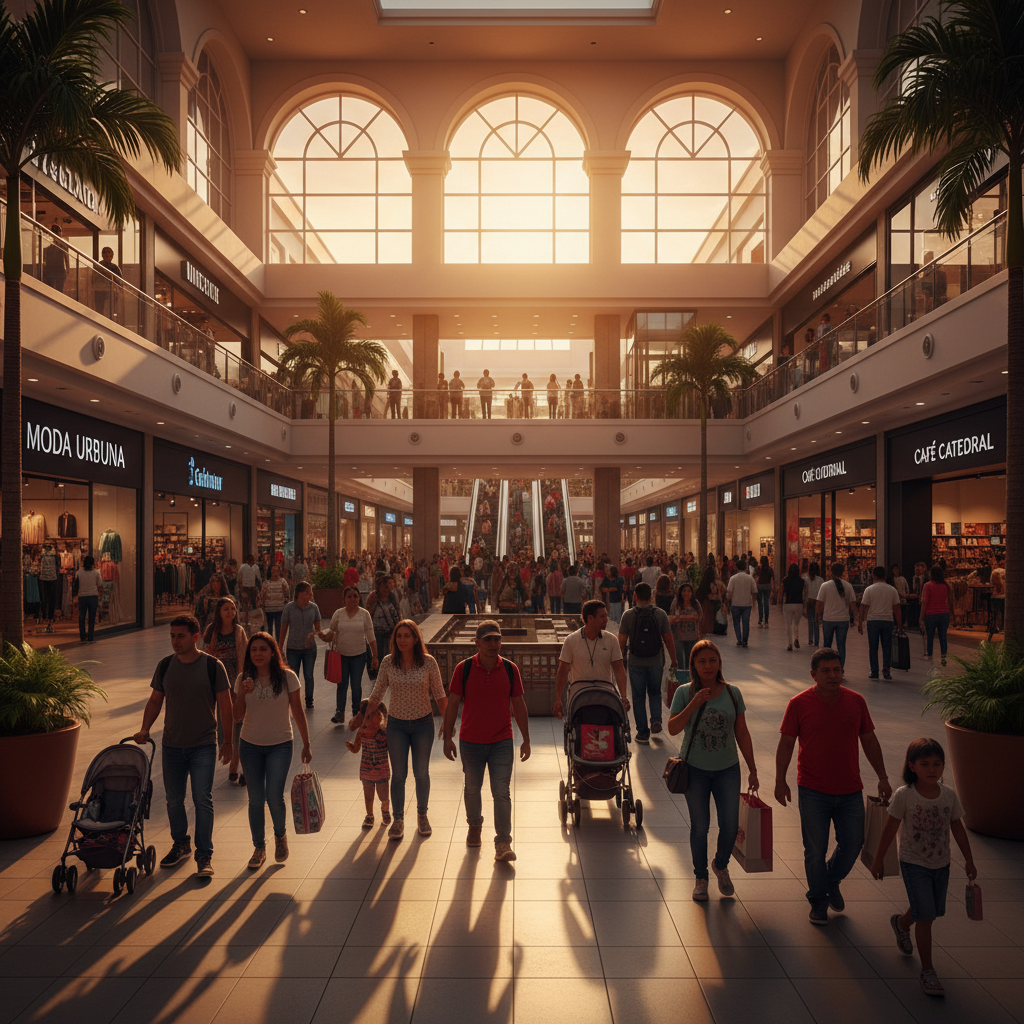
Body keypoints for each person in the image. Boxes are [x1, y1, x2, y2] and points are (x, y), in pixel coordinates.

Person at [774, 647, 892, 925]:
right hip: (813, 789)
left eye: (837, 670)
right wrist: (780, 780)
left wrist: (883, 776)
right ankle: (818, 899)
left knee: (853, 844)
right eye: (826, 671)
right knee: (814, 848)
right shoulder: (799, 703)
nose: (833, 675)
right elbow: (787, 743)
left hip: (850, 789)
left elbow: (870, 741)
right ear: (814, 675)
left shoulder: (856, 701)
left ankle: (831, 879)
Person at [870, 737, 976, 997]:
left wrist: (969, 860)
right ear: (912, 766)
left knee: (928, 910)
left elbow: (957, 828)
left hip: (941, 863)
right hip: (913, 862)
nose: (932, 769)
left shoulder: (949, 795)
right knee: (927, 916)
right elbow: (890, 827)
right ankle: (927, 971)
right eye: (925, 763)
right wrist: (878, 858)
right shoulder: (904, 795)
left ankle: (903, 924)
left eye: (937, 764)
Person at [134, 615, 233, 877]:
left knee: (202, 799)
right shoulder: (165, 665)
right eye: (172, 636)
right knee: (173, 800)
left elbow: (225, 705)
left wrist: (228, 741)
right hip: (172, 745)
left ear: (195, 637)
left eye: (181, 636)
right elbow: (155, 701)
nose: (175, 641)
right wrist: (145, 728)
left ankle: (204, 855)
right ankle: (181, 844)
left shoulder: (213, 666)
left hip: (203, 744)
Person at [668, 640, 758, 901]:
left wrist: (752, 768)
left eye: (712, 660)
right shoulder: (684, 692)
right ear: (693, 666)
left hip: (727, 769)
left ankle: (720, 864)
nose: (708, 666)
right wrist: (694, 703)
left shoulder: (733, 693)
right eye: (702, 661)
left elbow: (741, 732)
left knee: (730, 826)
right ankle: (701, 877)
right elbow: (673, 728)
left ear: (719, 663)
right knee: (700, 826)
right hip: (694, 769)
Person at [443, 620, 531, 862]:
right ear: (477, 642)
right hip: (470, 741)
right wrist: (448, 737)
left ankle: (503, 842)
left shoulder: (511, 669)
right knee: (472, 788)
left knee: (501, 792)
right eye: (488, 639)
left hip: (502, 741)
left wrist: (526, 738)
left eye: (497, 639)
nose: (494, 644)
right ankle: (475, 824)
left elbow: (519, 706)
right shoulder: (465, 668)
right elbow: (452, 704)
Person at [233, 632, 312, 869]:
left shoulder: (288, 677)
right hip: (250, 745)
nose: (258, 654)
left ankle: (280, 836)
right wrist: (243, 693)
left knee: (274, 797)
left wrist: (307, 744)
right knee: (255, 800)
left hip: (280, 744)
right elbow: (237, 716)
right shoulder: (243, 679)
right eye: (254, 650)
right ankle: (259, 847)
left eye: (263, 649)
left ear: (272, 652)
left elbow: (297, 711)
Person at [366, 620, 448, 840]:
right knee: (399, 775)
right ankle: (398, 820)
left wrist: (448, 725)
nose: (402, 640)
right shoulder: (387, 663)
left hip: (423, 724)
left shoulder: (428, 663)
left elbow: (440, 695)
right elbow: (377, 694)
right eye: (398, 636)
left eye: (407, 636)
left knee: (421, 773)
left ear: (415, 638)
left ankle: (422, 815)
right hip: (397, 725)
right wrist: (360, 720)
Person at [618, 583, 676, 744]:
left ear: (635, 596)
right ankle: (656, 720)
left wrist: (617, 662)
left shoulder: (628, 615)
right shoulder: (660, 614)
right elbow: (669, 639)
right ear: (651, 597)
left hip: (635, 662)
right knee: (655, 692)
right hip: (656, 660)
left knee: (638, 697)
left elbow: (621, 642)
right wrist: (674, 659)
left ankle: (642, 732)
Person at [552, 599, 630, 717]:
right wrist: (558, 699)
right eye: (602, 616)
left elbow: (619, 669)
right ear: (590, 618)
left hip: (605, 695)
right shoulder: (571, 640)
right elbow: (563, 671)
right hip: (579, 696)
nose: (606, 619)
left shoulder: (611, 640)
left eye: (606, 616)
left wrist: (623, 697)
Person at [203, 597, 248, 785]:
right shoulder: (211, 631)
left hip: (237, 683)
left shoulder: (239, 631)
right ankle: (231, 755)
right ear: (219, 612)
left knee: (240, 723)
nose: (230, 612)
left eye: (233, 608)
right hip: (219, 685)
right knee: (224, 725)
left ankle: (237, 765)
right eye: (226, 609)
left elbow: (246, 658)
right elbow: (205, 655)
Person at [318, 585, 378, 724]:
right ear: (344, 599)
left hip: (359, 655)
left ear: (359, 598)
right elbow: (331, 632)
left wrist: (375, 655)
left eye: (355, 596)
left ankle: (357, 713)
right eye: (349, 596)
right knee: (342, 684)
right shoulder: (338, 614)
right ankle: (340, 712)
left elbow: (370, 636)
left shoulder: (364, 614)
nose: (352, 599)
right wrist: (323, 635)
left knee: (356, 685)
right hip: (342, 655)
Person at [346, 699, 391, 828]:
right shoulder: (362, 731)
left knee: (383, 795)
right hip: (366, 769)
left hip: (382, 769)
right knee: (368, 795)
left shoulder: (384, 733)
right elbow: (356, 747)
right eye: (370, 715)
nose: (375, 716)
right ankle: (369, 815)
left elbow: (392, 749)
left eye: (377, 713)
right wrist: (352, 747)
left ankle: (385, 811)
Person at [278, 581, 322, 708]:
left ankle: (309, 699)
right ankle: (293, 699)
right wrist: (280, 648)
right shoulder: (289, 608)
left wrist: (313, 634)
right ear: (299, 594)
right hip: (293, 648)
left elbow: (318, 629)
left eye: (310, 592)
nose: (310, 595)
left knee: (308, 675)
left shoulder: (314, 608)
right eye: (307, 592)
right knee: (293, 675)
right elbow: (283, 628)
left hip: (309, 649)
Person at [858, 566, 902, 680]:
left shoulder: (869, 589)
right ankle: (886, 671)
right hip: (888, 621)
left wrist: (860, 622)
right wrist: (900, 625)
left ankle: (874, 671)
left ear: (874, 575)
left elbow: (863, 607)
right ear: (885, 576)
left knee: (873, 647)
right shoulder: (892, 590)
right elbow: (897, 609)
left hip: (873, 621)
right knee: (887, 647)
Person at [815, 562, 857, 673]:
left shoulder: (825, 586)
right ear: (843, 572)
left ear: (831, 572)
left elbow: (819, 603)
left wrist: (817, 615)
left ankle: (826, 668)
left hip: (828, 619)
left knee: (827, 646)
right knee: (841, 646)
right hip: (843, 620)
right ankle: (840, 668)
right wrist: (855, 618)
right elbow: (853, 604)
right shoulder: (848, 586)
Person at [668, 581, 702, 687]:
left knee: (691, 661)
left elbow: (698, 617)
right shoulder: (676, 603)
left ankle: (691, 682)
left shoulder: (695, 603)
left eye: (689, 591)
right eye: (684, 591)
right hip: (678, 637)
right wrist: (687, 617)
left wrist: (680, 618)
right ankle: (681, 684)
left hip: (692, 636)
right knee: (680, 662)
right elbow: (672, 618)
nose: (686, 593)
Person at [921, 564, 953, 666]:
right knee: (943, 636)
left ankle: (929, 655)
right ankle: (943, 657)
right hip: (944, 613)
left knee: (930, 636)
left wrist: (921, 617)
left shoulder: (927, 585)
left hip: (931, 614)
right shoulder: (945, 586)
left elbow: (925, 602)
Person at [725, 564, 757, 647]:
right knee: (746, 622)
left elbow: (729, 591)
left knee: (736, 622)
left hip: (736, 603)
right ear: (745, 568)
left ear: (737, 568)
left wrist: (728, 600)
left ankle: (739, 639)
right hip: (747, 604)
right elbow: (754, 591)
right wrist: (754, 602)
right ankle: (745, 640)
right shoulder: (750, 578)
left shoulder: (733, 578)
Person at [75, 555, 103, 642]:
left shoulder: (79, 572)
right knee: (92, 617)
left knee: (82, 617)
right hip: (93, 596)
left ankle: (82, 636)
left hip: (82, 596)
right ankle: (90, 636)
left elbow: (76, 585)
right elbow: (100, 585)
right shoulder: (96, 573)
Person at [260, 563, 290, 642]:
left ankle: (278, 646)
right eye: (273, 571)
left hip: (279, 610)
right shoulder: (266, 583)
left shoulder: (282, 582)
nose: (276, 573)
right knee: (268, 630)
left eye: (277, 571)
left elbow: (287, 594)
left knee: (279, 629)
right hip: (268, 610)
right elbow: (262, 596)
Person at [779, 562, 805, 652]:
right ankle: (796, 638)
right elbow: (804, 593)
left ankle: (790, 643)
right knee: (796, 624)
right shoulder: (802, 581)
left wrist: (779, 603)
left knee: (788, 624)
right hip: (799, 603)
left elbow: (781, 592)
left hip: (788, 603)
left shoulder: (785, 580)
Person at [93, 245, 123, 317]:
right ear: (103, 256)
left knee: (105, 309)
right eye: (107, 256)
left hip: (107, 290)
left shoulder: (98, 266)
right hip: (102, 290)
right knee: (103, 309)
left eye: (110, 256)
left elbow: (119, 280)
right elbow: (119, 280)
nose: (109, 258)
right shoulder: (100, 266)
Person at [43, 223, 69, 292]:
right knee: (54, 290)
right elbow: (66, 258)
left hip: (56, 269)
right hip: (53, 269)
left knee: (56, 290)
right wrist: (68, 269)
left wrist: (67, 269)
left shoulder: (61, 244)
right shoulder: (49, 243)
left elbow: (66, 257)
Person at [803, 561, 823, 646]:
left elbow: (805, 592)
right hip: (817, 602)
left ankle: (810, 639)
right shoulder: (820, 580)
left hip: (809, 601)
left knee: (810, 621)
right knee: (816, 620)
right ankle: (817, 640)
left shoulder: (806, 578)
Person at [989, 554, 1005, 640]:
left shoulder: (994, 572)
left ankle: (993, 626)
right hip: (1004, 596)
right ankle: (1002, 626)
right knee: (1003, 612)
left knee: (994, 613)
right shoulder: (1006, 572)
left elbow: (992, 583)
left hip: (995, 596)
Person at [756, 556, 774, 628]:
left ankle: (760, 620)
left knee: (760, 604)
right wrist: (772, 589)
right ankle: (766, 621)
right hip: (767, 586)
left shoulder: (758, 569)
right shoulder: (770, 569)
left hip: (760, 586)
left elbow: (756, 578)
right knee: (766, 603)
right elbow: (771, 579)